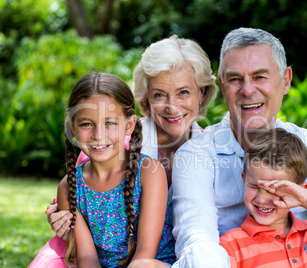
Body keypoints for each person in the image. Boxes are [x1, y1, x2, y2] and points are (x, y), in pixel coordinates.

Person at [171, 27, 307, 267]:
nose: (247, 90)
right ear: (223, 86)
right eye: (235, 79)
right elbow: (198, 240)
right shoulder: (196, 154)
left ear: (285, 81)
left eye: (259, 77)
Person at [29, 36, 216, 267]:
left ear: (203, 93)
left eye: (184, 92)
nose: (172, 106)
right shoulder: (106, 148)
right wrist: (61, 214)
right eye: (159, 94)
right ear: (145, 98)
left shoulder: (215, 151)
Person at [59, 72, 175, 267]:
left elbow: (146, 251)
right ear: (73, 128)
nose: (98, 135)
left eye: (110, 123)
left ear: (129, 125)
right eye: (87, 124)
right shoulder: (68, 187)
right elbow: (87, 260)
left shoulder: (149, 172)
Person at [219, 128, 307, 267]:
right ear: (244, 179)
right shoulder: (231, 245)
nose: (262, 199)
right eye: (255, 187)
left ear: (300, 190)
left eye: (275, 190)